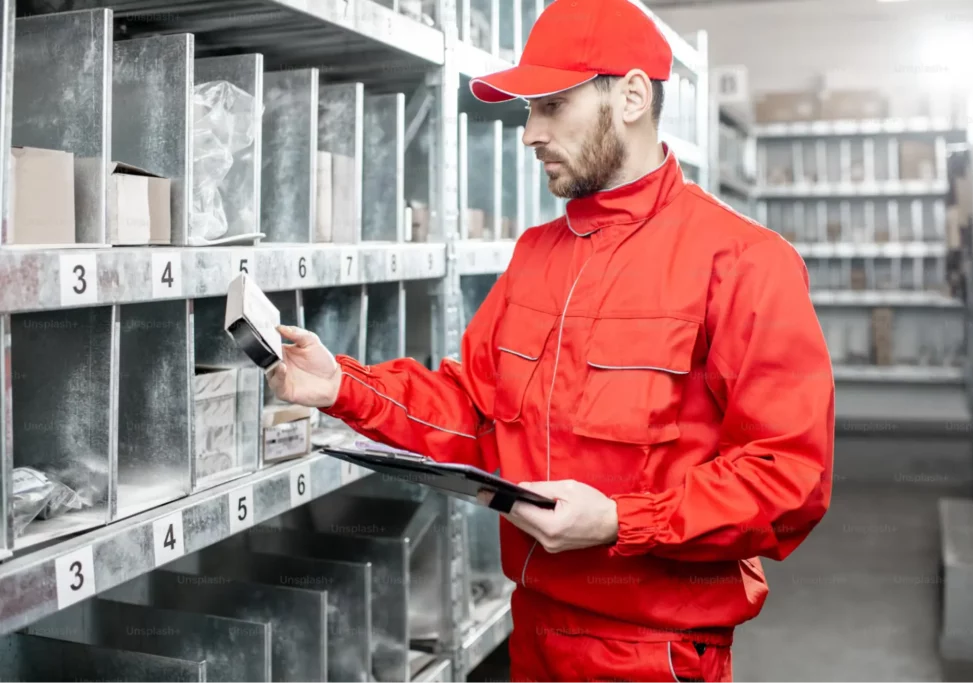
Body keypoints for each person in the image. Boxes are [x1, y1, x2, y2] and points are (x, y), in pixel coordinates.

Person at [266, 0, 835, 679]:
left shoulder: (741, 261)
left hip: (654, 654)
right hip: (533, 633)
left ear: (629, 96)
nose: (529, 134)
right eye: (527, 111)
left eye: (551, 106)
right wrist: (342, 385)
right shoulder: (537, 254)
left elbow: (789, 478)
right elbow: (472, 411)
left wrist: (623, 521)